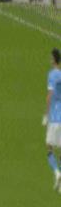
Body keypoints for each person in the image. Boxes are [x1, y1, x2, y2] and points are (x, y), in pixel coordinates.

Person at [43, 48, 61, 191]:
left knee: (49, 147)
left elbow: (49, 95)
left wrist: (45, 115)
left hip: (54, 117)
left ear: (54, 59)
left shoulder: (52, 75)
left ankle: (56, 172)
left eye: (51, 57)